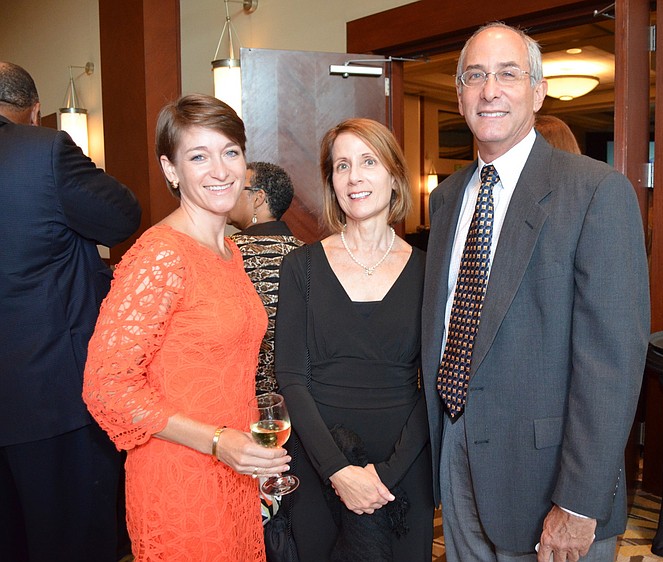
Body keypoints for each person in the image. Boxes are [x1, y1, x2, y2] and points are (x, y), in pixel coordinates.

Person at [421, 23, 650, 562]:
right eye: (475, 76)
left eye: (508, 74)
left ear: (538, 90)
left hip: (550, 478)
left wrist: (578, 501)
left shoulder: (596, 192)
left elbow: (612, 364)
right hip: (457, 457)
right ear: (459, 96)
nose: (490, 90)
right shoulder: (449, 197)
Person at [83, 93, 290, 561]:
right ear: (171, 169)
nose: (220, 170)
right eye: (199, 156)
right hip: (179, 477)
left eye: (230, 152)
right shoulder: (160, 257)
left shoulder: (229, 251)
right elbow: (105, 387)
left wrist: (241, 447)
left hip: (234, 473)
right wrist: (218, 441)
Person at [0, 61, 141, 562]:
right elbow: (122, 215)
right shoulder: (42, 151)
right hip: (51, 399)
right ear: (35, 111)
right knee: (74, 542)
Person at [275, 118, 433, 561]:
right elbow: (290, 377)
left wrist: (386, 474)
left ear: (394, 176)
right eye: (341, 166)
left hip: (403, 463)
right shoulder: (300, 267)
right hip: (318, 458)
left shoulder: (430, 270)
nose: (355, 176)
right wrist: (338, 471)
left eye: (368, 161)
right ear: (332, 182)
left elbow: (439, 381)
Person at [229, 161, 304, 396]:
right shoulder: (309, 255)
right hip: (296, 394)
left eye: (236, 186)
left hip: (238, 391)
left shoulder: (227, 254)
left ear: (258, 198)